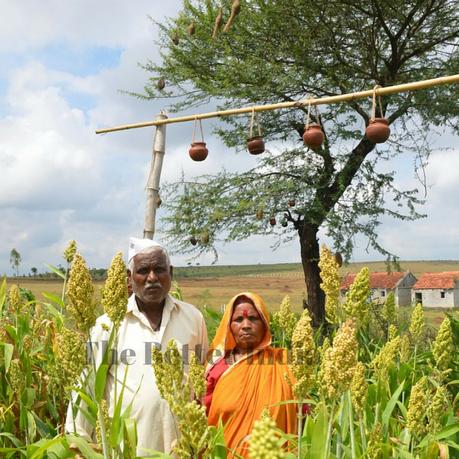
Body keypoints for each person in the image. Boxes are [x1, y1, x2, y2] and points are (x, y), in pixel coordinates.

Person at [65, 237, 208, 456]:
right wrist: (79, 443)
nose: (152, 277)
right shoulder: (107, 325)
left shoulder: (193, 318)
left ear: (171, 273)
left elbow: (200, 378)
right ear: (130, 279)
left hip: (181, 447)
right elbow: (87, 387)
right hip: (127, 448)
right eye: (143, 271)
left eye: (159, 269)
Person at [205, 292, 297, 458]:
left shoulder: (283, 363)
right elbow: (204, 418)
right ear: (228, 326)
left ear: (265, 323)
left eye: (253, 319)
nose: (246, 325)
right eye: (238, 320)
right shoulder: (218, 369)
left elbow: (301, 413)